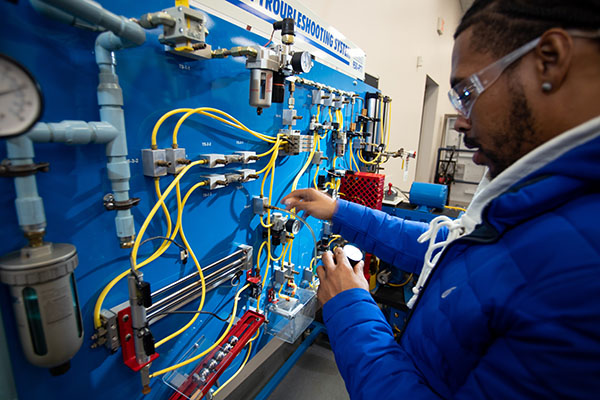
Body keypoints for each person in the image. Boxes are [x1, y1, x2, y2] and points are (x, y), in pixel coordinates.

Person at [282, 1, 600, 398]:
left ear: (549, 62)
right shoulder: (535, 197)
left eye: (467, 91)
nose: (462, 119)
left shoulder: (582, 271)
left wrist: (350, 307)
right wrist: (338, 209)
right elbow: (447, 248)